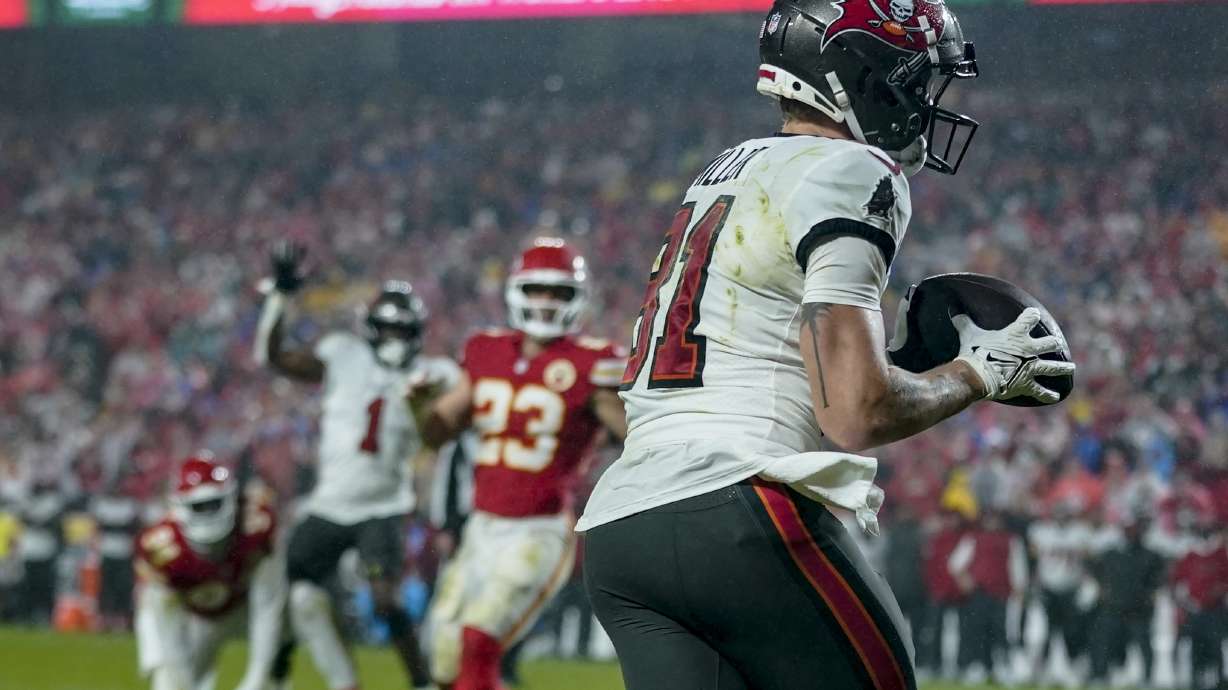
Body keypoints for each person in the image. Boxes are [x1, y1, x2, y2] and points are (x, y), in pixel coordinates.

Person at [575, 0, 1073, 687]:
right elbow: (855, 414)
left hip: (624, 527)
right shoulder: (852, 169)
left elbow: (774, 360)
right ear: (858, 74)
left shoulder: (727, 168)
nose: (925, 101)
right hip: (736, 507)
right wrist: (977, 374)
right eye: (915, 79)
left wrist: (896, 363)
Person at [421, 237, 628, 690]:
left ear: (578, 300)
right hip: (480, 530)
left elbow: (633, 435)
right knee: (441, 658)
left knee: (478, 641)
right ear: (517, 290)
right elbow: (436, 431)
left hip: (537, 531)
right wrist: (421, 406)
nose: (546, 302)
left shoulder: (591, 363)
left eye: (559, 293)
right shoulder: (485, 351)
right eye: (537, 289)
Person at [257, 243, 458, 690]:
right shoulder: (342, 354)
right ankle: (278, 666)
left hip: (384, 505)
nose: (394, 340)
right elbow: (276, 357)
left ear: (418, 334)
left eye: (402, 332)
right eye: (386, 330)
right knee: (286, 587)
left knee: (385, 601)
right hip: (330, 503)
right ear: (370, 329)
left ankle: (421, 681)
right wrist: (280, 296)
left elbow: (456, 419)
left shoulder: (434, 373)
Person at [134, 455, 286, 690]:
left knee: (297, 603)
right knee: (169, 679)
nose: (207, 512)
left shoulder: (255, 527)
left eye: (213, 503)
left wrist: (256, 681)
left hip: (240, 609)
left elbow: (268, 606)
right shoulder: (162, 547)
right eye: (199, 506)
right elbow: (165, 620)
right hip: (193, 615)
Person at [1086, 515, 1165, 686]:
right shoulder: (1111, 553)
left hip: (1139, 608)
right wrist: (1102, 587)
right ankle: (1100, 675)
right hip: (1114, 606)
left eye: (1135, 530)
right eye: (1128, 530)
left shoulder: (1150, 555)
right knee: (1103, 642)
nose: (1132, 533)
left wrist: (1152, 594)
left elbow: (1159, 577)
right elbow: (1093, 568)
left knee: (1144, 644)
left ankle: (1147, 679)